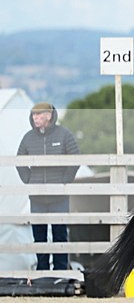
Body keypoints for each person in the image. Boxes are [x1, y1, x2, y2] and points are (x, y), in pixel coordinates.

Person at [16, 102, 80, 271]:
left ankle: (60, 270)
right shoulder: (28, 137)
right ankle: (42, 270)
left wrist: (65, 180)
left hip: (59, 196)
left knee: (60, 234)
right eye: (34, 115)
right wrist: (28, 180)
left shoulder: (64, 134)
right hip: (37, 197)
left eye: (39, 115)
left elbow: (75, 158)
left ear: (49, 116)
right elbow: (19, 160)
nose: (35, 118)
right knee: (39, 235)